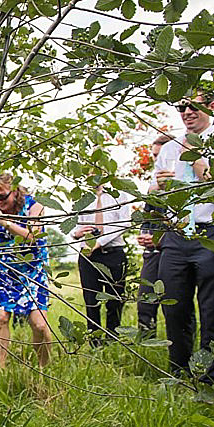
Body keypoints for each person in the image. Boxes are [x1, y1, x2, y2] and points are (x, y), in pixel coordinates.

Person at [155, 89, 214, 381]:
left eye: (193, 106)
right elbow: (156, 192)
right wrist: (156, 189)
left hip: (210, 233)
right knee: (174, 305)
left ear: (211, 106)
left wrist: (199, 162)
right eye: (181, 107)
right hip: (176, 234)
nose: (187, 112)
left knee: (211, 307)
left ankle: (209, 378)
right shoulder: (169, 147)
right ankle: (179, 371)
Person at [0, 173, 53, 368]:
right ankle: (0, 369)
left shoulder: (34, 206)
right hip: (5, 271)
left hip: (32, 271)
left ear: (15, 191)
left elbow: (33, 236)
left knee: (39, 325)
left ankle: (44, 367)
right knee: (0, 317)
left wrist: (5, 222)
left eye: (2, 196)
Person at [71, 185, 131, 345]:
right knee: (91, 299)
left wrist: (98, 243)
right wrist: (76, 233)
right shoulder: (82, 196)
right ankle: (94, 342)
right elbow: (75, 224)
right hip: (88, 255)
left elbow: (124, 223)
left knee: (115, 299)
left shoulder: (119, 193)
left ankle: (112, 339)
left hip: (113, 252)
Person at [137, 134, 175, 338]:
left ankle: (174, 346)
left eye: (160, 155)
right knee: (144, 301)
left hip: (174, 250)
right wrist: (143, 234)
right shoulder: (153, 187)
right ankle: (146, 346)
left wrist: (160, 238)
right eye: (154, 156)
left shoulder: (184, 186)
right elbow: (147, 217)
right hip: (152, 253)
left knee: (174, 306)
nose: (156, 160)